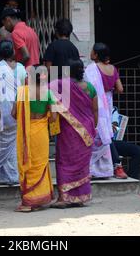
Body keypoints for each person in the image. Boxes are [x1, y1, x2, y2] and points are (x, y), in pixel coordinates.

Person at [50, 59, 98, 208]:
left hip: (68, 130)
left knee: (65, 162)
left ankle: (64, 198)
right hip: (87, 130)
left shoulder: (61, 86)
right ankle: (79, 197)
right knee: (81, 165)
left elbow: (46, 91)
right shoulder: (90, 88)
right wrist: (92, 127)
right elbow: (95, 110)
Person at [11, 66, 56, 212]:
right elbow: (54, 117)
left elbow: (13, 114)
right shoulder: (48, 92)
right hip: (41, 134)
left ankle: (28, 202)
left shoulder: (22, 92)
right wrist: (43, 119)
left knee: (28, 165)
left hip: (26, 133)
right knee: (40, 164)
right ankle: (40, 199)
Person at [0, 40, 27, 186]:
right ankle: (11, 175)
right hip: (15, 114)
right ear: (13, 52)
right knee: (12, 146)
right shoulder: (21, 69)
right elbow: (24, 90)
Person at [84, 42, 123, 179]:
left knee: (96, 133)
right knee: (105, 132)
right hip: (108, 102)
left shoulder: (91, 69)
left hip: (96, 101)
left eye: (92, 50)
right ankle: (108, 168)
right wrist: (108, 89)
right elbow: (120, 89)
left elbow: (88, 88)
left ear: (95, 54)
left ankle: (93, 169)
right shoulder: (113, 68)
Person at [109, 107, 140, 180]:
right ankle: (117, 167)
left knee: (138, 151)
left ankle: (132, 178)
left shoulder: (112, 109)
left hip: (111, 141)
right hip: (99, 143)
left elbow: (115, 127)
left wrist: (110, 126)